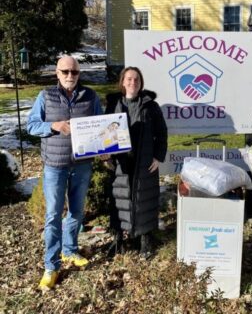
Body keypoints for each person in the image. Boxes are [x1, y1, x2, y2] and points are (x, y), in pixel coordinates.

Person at [27, 56, 103, 290]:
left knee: (77, 212)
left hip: (82, 164)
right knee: (52, 216)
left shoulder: (90, 96)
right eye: (65, 71)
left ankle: (70, 250)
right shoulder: (45, 96)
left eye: (74, 72)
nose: (70, 76)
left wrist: (107, 148)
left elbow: (101, 126)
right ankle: (51, 266)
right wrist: (53, 126)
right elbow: (31, 125)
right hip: (55, 165)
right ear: (57, 73)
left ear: (79, 74)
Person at [105, 66, 168, 258]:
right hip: (120, 162)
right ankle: (119, 239)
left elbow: (162, 133)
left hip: (145, 162)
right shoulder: (113, 103)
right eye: (129, 79)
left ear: (141, 83)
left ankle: (145, 239)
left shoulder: (150, 106)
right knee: (119, 199)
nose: (133, 82)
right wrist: (105, 156)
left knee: (144, 200)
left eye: (137, 80)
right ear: (123, 82)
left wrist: (158, 157)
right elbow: (103, 132)